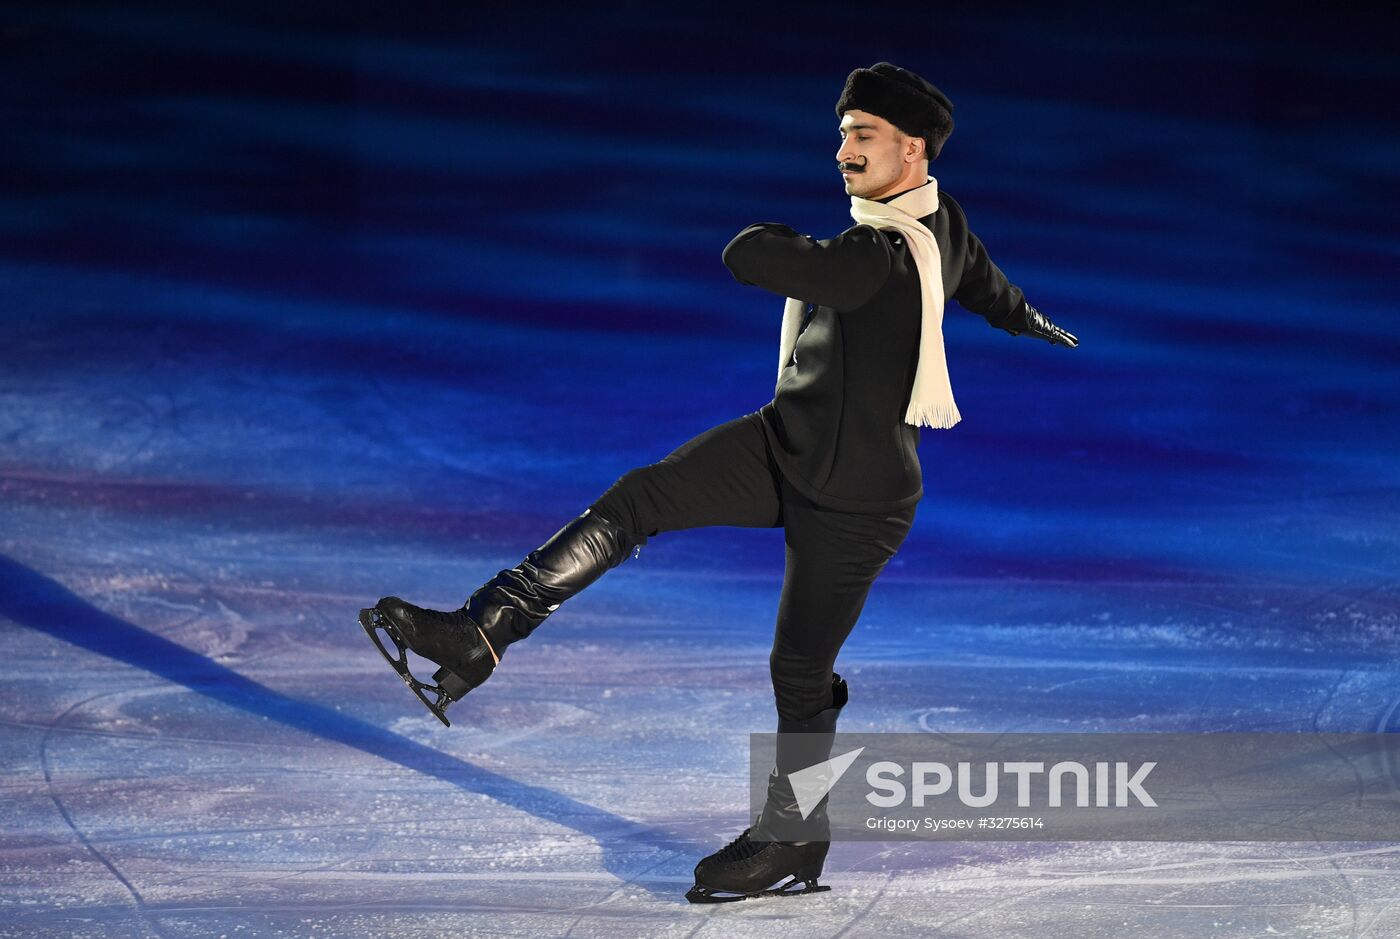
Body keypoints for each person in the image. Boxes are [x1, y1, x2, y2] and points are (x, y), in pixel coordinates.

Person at [359, 61, 1078, 903]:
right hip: (784, 444)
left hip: (857, 499)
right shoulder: (935, 223)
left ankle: (794, 837)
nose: (843, 148)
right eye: (843, 131)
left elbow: (750, 257)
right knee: (639, 497)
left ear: (912, 147)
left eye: (863, 134)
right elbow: (988, 285)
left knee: (798, 674)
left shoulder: (876, 253)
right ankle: (479, 634)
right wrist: (1030, 318)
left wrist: (772, 238)